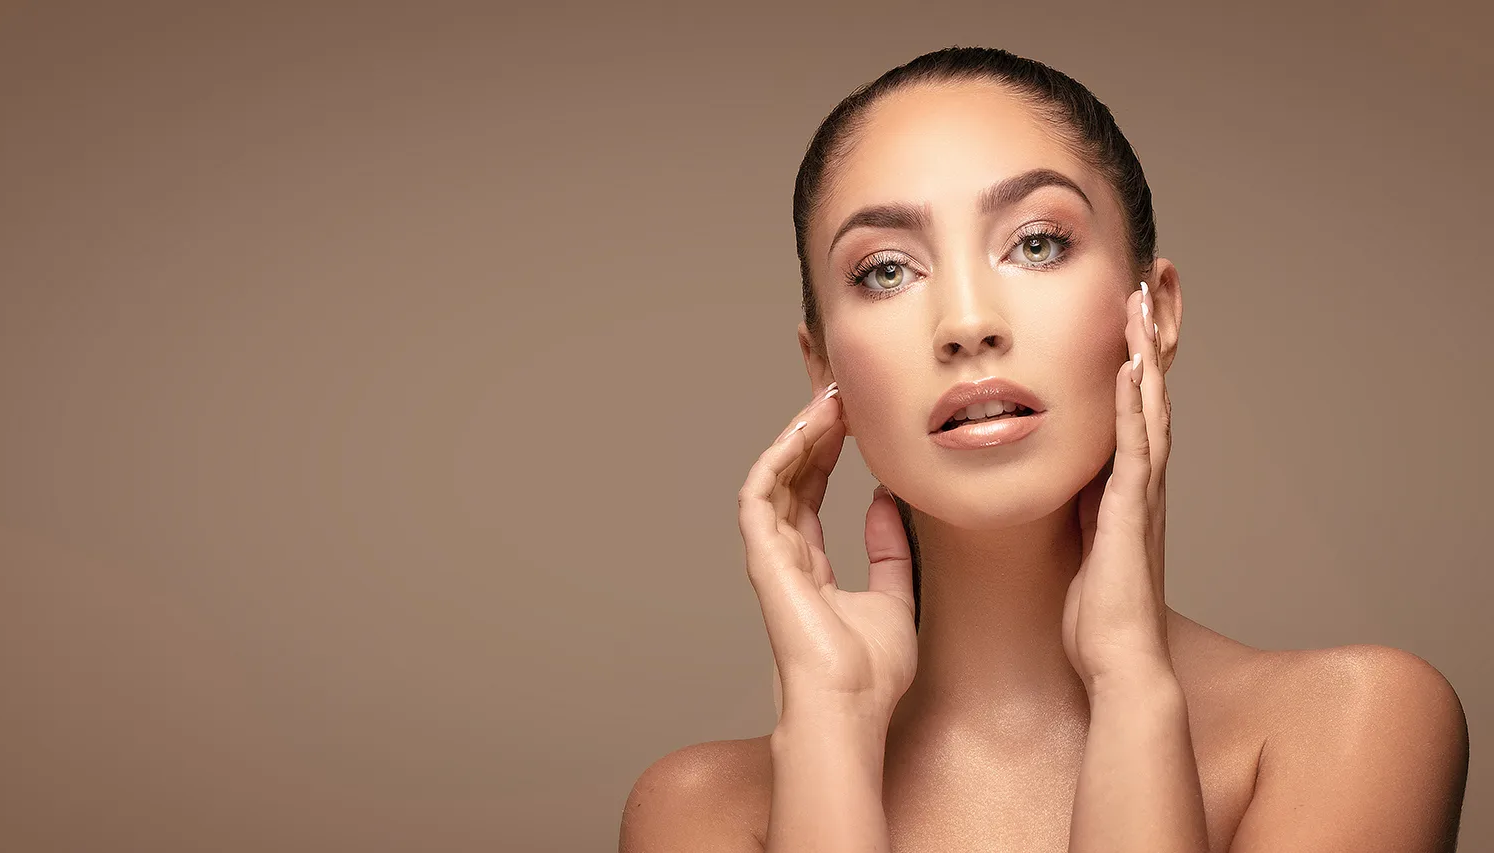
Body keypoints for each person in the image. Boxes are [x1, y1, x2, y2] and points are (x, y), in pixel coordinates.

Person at [619, 46, 1468, 853]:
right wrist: (830, 726)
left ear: (1156, 311)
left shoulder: (1354, 723)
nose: (966, 323)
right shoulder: (702, 812)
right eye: (885, 270)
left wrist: (1130, 684)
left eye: (1036, 243)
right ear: (823, 366)